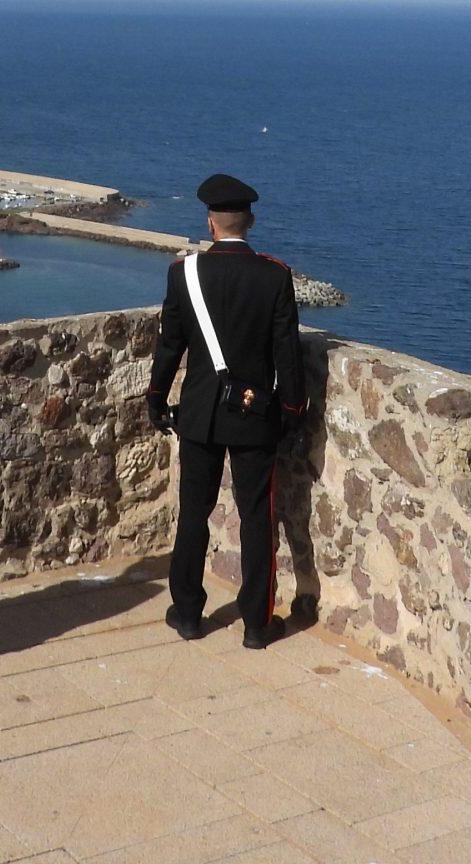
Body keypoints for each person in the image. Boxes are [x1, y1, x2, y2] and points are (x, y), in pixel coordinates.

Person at [146, 171, 305, 647]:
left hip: (199, 414)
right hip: (255, 415)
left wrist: (156, 398)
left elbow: (169, 345)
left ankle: (190, 614)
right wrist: (292, 412)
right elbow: (287, 356)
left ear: (210, 221)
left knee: (193, 513)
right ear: (249, 221)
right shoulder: (275, 275)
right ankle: (257, 623)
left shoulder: (184, 273)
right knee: (258, 517)